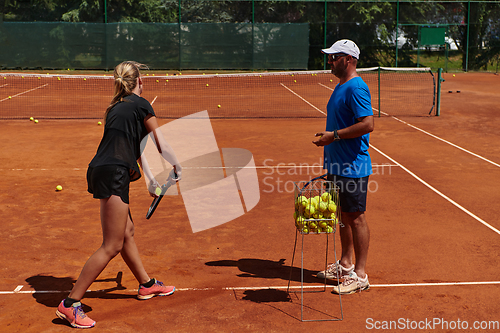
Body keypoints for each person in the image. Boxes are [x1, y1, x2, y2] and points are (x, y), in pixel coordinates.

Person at [56, 61, 182, 328]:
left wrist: (149, 180)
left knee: (127, 233)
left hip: (103, 169)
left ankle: (147, 285)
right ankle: (70, 304)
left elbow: (133, 148)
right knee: (112, 244)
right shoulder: (141, 104)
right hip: (114, 173)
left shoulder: (115, 108)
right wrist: (177, 165)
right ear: (139, 82)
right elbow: (160, 142)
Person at [312, 39, 374, 295]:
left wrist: (333, 136)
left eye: (334, 56)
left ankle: (360, 275)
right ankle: (345, 265)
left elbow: (368, 124)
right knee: (343, 217)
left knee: (356, 218)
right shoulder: (341, 86)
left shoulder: (356, 88)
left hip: (353, 166)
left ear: (348, 59)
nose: (330, 61)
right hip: (338, 164)